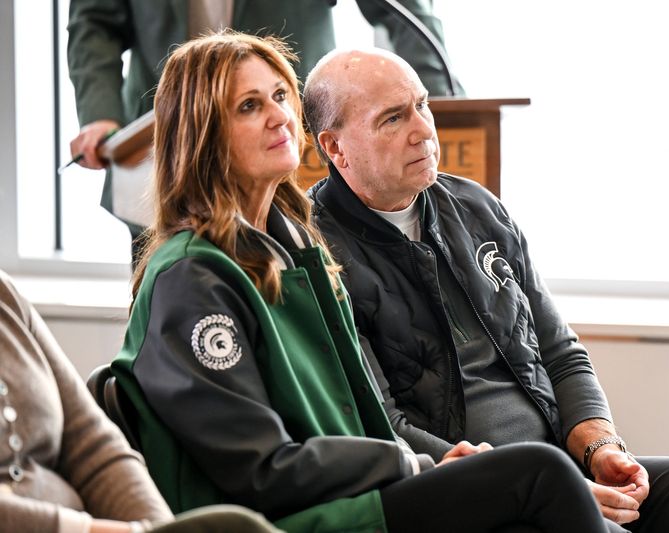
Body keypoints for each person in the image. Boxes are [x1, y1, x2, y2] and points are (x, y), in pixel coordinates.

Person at [110, 30, 617, 532]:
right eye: (248, 106)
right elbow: (258, 471)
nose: (279, 116)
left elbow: (361, 414)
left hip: (365, 486)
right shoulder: (192, 278)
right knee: (539, 474)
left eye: (281, 95)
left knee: (643, 489)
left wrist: (432, 465)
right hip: (300, 516)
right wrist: (410, 464)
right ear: (203, 133)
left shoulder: (296, 249)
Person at [304, 47, 669, 532]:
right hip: (469, 491)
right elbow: (379, 422)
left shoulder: (476, 208)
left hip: (559, 463)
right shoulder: (315, 254)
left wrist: (600, 448)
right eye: (392, 119)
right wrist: (551, 489)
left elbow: (559, 352)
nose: (424, 130)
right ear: (336, 146)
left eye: (422, 105)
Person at [66, 0, 463, 265]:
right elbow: (94, 22)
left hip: (299, 141)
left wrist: (436, 100)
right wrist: (99, 113)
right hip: (163, 141)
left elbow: (402, 9)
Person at [0, 269, 283, 533]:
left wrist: (156, 527)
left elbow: (93, 445)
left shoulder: (6, 296)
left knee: (235, 526)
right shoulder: (188, 274)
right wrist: (88, 529)